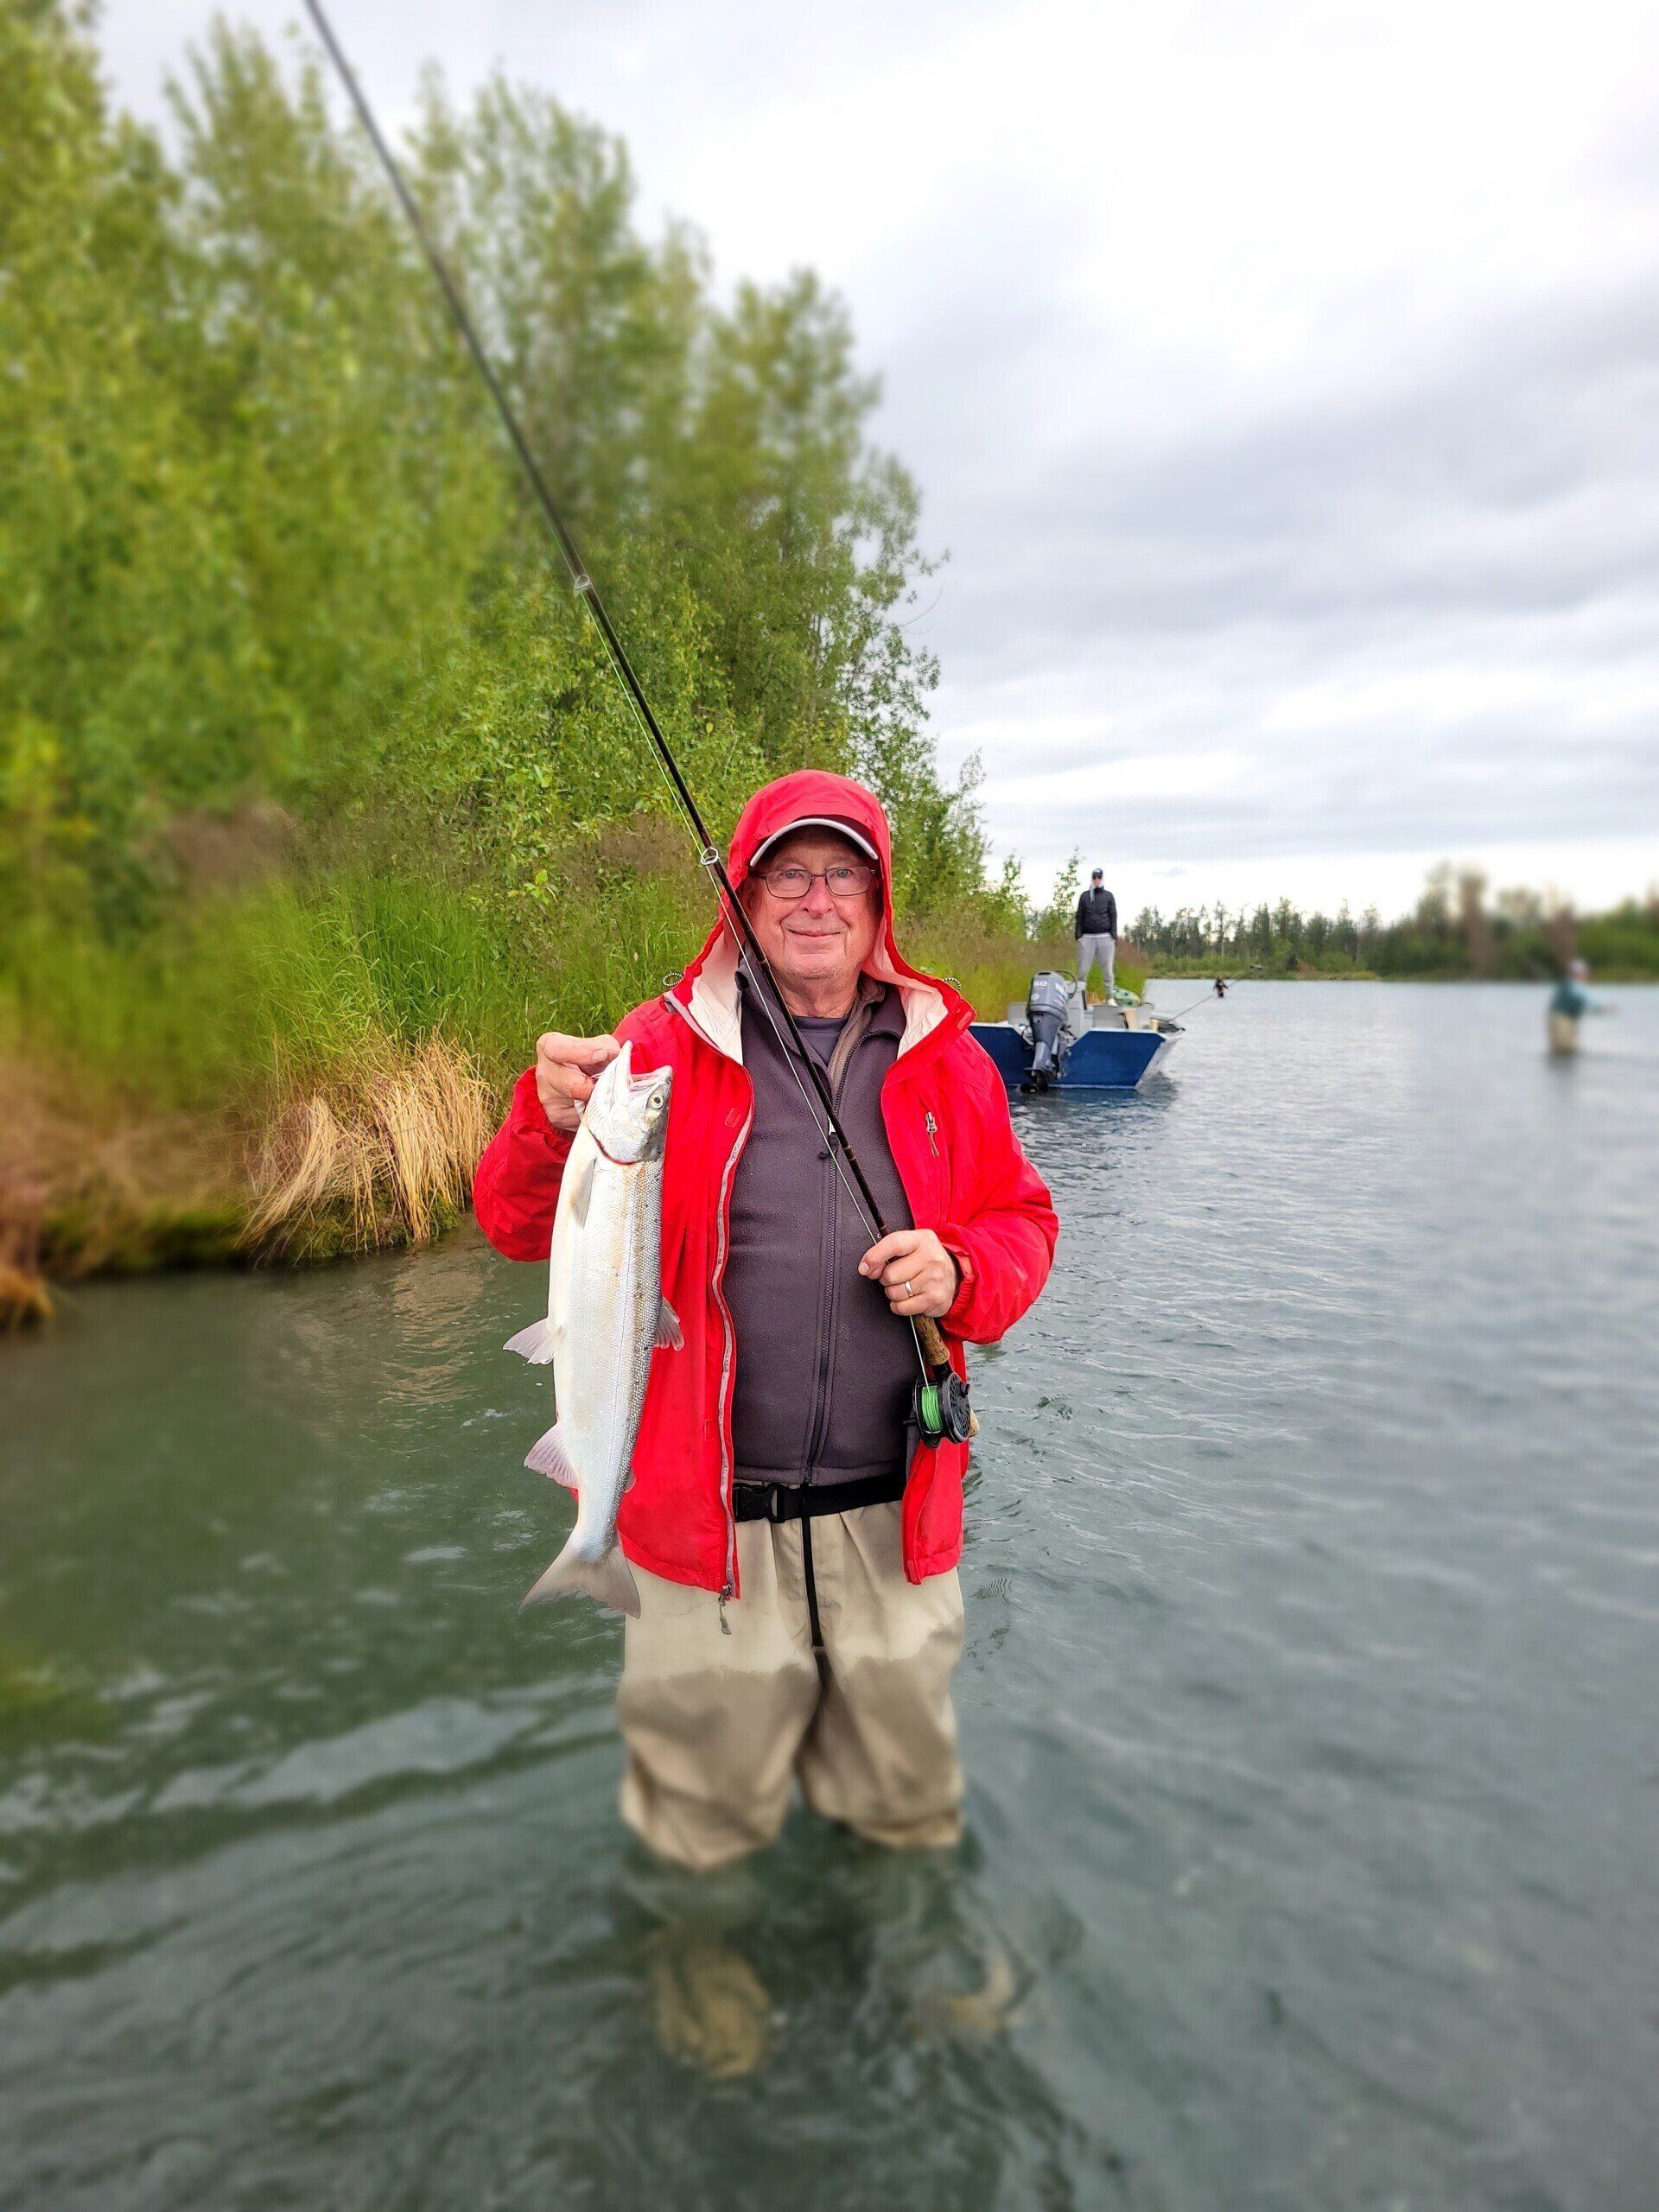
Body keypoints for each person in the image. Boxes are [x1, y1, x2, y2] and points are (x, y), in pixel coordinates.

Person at [473, 769, 1058, 2063]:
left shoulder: (951, 1064)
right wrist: (545, 1118)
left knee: (903, 1798)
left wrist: (963, 1268)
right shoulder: (657, 1049)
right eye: (786, 873)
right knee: (699, 1811)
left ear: (880, 902)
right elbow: (515, 1222)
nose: (814, 899)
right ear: (741, 894)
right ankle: (700, 1969)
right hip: (705, 1534)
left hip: (894, 1521)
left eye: (841, 874)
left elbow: (1024, 1223)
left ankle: (915, 1953)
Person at [1074, 868, 1118, 998]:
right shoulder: (1085, 896)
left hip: (1105, 937)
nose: (1097, 880)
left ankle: (1109, 997)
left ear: (1102, 879)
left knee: (1108, 971)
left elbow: (1113, 915)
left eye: (1099, 878)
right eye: (1094, 878)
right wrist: (1078, 935)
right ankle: (1080, 999)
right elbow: (1079, 916)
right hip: (1087, 937)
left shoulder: (1108, 896)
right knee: (1082, 971)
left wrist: (1113, 936)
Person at [1548, 957, 1604, 1056]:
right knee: (1566, 1049)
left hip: (1555, 1017)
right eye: (1584, 973)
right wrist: (1602, 1009)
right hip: (1563, 1018)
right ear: (1577, 974)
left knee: (1558, 1049)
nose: (1587, 975)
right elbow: (1587, 1002)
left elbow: (1583, 1003)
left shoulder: (1567, 984)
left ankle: (1558, 1064)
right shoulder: (1575, 985)